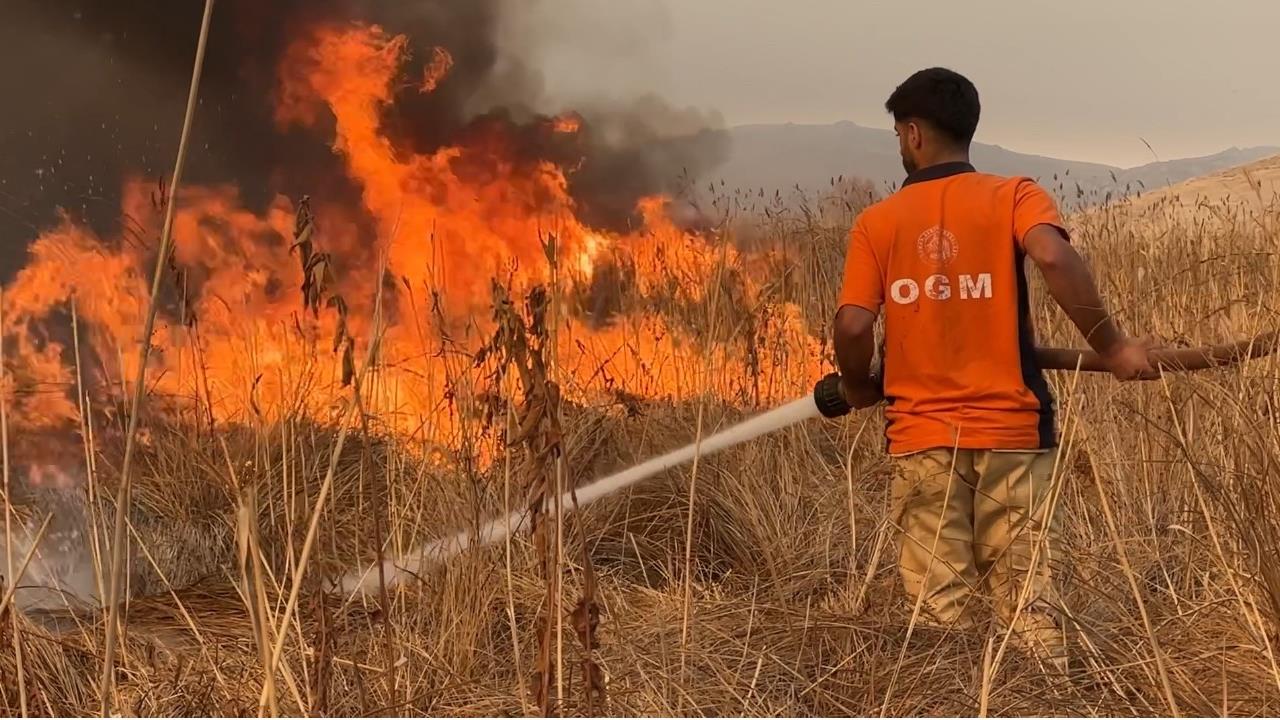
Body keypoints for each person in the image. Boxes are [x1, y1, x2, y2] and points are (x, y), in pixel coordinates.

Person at [832, 67, 1153, 672]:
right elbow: (1053, 254)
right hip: (1012, 433)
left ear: (913, 135)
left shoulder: (878, 223)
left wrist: (856, 384)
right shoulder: (1015, 195)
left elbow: (852, 326)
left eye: (899, 134)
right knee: (1029, 603)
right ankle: (1044, 705)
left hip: (922, 441)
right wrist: (1111, 346)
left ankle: (946, 703)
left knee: (935, 608)